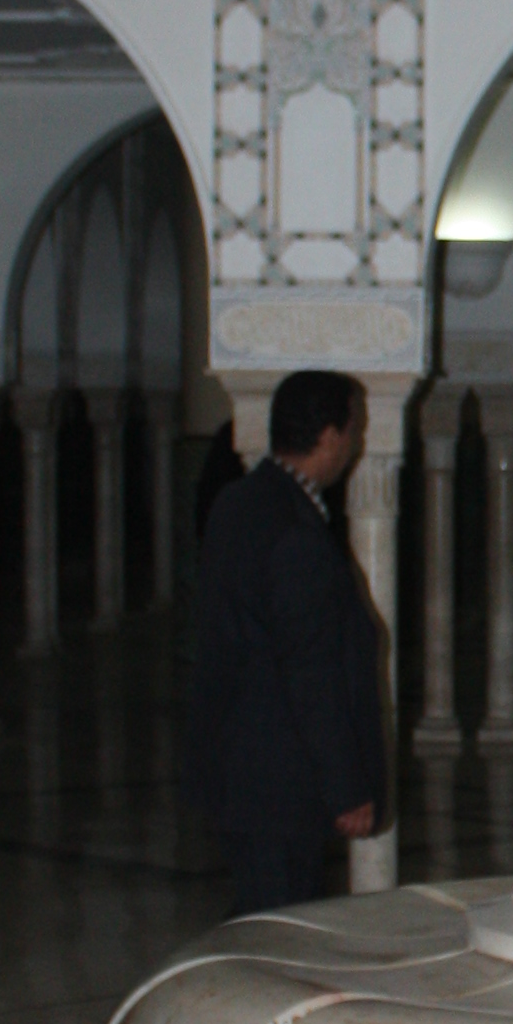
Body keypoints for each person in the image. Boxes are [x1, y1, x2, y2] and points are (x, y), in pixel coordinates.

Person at [183, 371, 384, 917]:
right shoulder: (295, 531)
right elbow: (311, 675)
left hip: (240, 769)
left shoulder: (239, 501)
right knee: (281, 924)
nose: (356, 443)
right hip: (278, 781)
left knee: (264, 915)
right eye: (354, 429)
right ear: (329, 437)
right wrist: (346, 788)